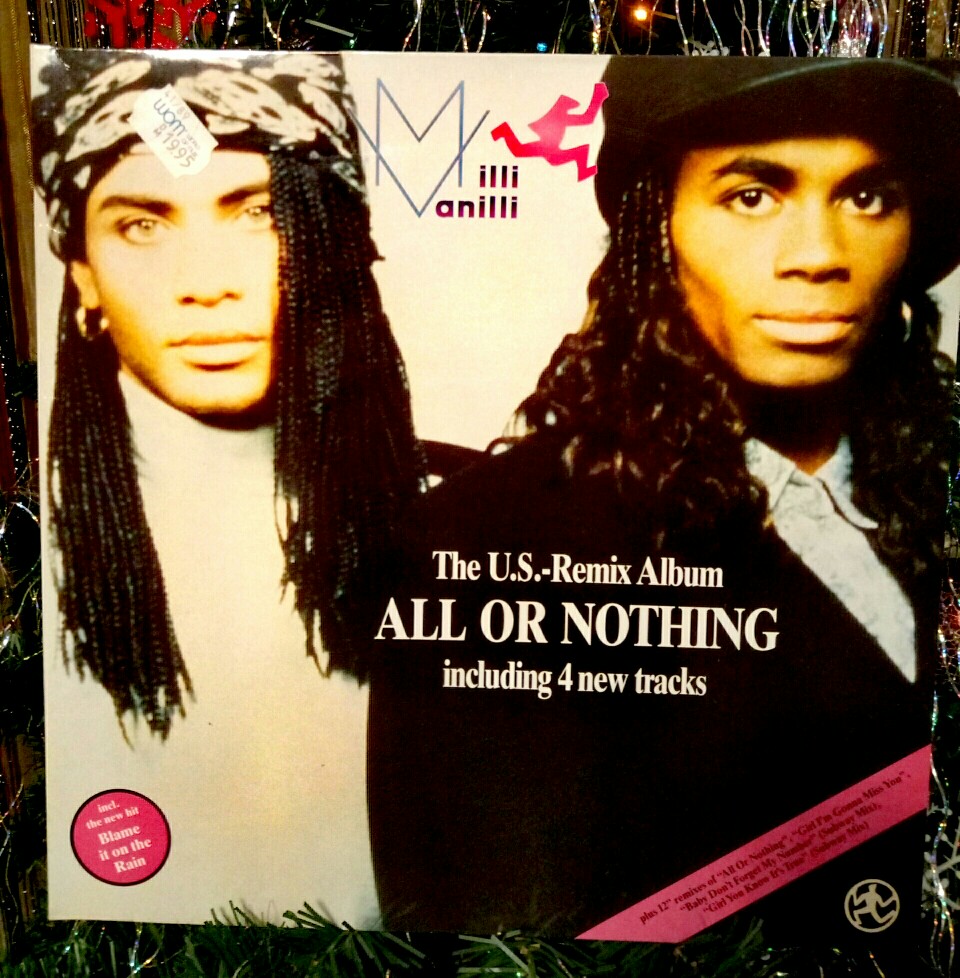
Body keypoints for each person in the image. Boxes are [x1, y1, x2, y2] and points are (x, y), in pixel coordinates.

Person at [368, 58, 960, 940]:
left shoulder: (939, 480)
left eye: (867, 196)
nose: (819, 256)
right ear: (657, 225)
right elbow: (498, 938)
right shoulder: (486, 532)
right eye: (751, 196)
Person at [34, 49, 421, 924]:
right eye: (142, 224)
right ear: (82, 276)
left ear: (333, 244)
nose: (207, 286)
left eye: (258, 213)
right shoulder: (33, 569)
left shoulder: (470, 516)